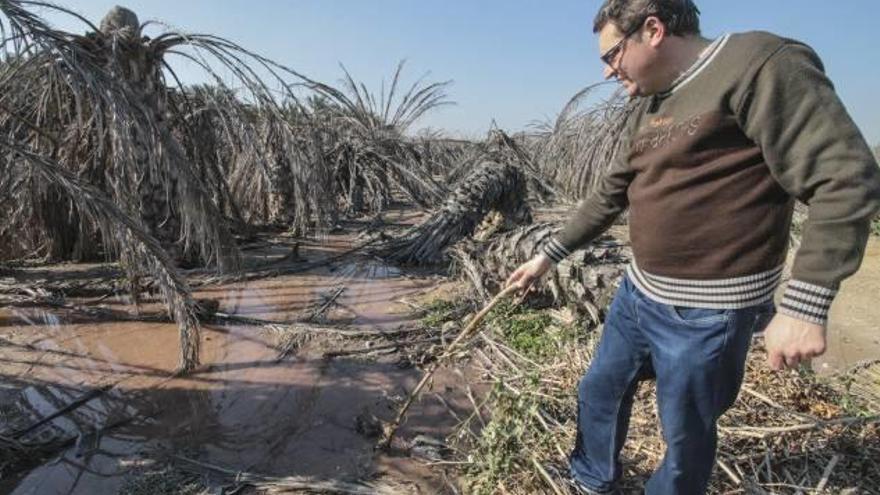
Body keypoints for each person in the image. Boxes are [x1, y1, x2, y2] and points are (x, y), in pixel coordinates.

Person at [504, 0, 880, 493]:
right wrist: (547, 256)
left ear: (653, 30)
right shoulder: (652, 104)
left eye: (612, 54)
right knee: (599, 389)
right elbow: (610, 194)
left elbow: (844, 178)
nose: (606, 71)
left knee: (684, 438)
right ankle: (591, 478)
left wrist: (805, 303)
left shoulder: (760, 65)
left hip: (707, 315)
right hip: (637, 296)